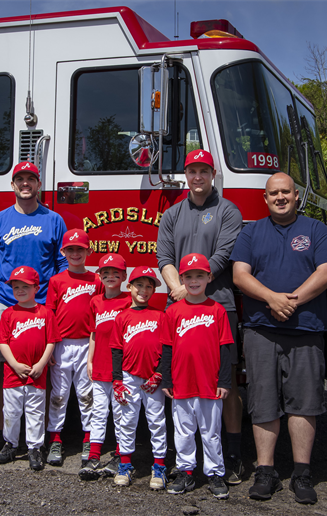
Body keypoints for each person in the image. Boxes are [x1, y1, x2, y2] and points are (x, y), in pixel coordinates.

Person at [231, 172, 327, 504]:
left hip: (306, 329)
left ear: (296, 196)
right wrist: (271, 299)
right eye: (273, 193)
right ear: (265, 199)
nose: (280, 197)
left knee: (304, 402)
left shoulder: (316, 229)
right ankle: (266, 472)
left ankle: (302, 474)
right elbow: (239, 275)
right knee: (263, 402)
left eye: (286, 192)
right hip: (261, 330)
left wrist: (290, 301)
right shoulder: (251, 231)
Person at [155, 148, 245, 484]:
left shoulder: (228, 211)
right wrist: (179, 289)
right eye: (192, 171)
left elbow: (223, 254)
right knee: (179, 380)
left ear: (212, 175)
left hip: (218, 306)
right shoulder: (173, 213)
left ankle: (231, 454)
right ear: (186, 175)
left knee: (227, 380)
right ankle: (185, 461)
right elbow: (164, 255)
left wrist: (194, 287)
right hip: (179, 308)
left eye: (203, 171)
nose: (197, 177)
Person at [0, 161, 67, 422]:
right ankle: (9, 436)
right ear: (12, 185)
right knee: (8, 371)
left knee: (43, 369)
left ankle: (41, 436)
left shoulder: (54, 220)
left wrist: (54, 300)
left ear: (39, 184)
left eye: (31, 179)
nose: (25, 183)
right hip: (5, 305)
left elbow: (61, 263)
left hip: (41, 306)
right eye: (20, 179)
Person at [158, 254, 234, 499]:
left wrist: (224, 381)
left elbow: (226, 348)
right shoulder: (173, 311)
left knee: (211, 432)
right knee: (183, 431)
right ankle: (185, 471)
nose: (193, 281)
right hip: (181, 382)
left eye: (199, 275)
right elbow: (166, 349)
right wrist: (167, 379)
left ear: (209, 277)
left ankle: (215, 473)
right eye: (188, 276)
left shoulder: (217, 310)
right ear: (181, 279)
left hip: (209, 383)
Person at [44, 228, 101, 467]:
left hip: (88, 344)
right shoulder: (57, 280)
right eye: (71, 249)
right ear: (63, 251)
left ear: (89, 251)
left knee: (87, 394)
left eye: (80, 249)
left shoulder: (96, 280)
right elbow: (50, 314)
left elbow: (101, 315)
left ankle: (89, 437)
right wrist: (50, 348)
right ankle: (55, 439)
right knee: (59, 394)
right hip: (62, 345)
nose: (75, 253)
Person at [0, 266, 59, 471]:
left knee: (35, 411)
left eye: (25, 286)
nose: (20, 290)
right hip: (12, 373)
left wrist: (41, 364)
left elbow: (51, 341)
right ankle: (11, 444)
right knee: (11, 411)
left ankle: (35, 447)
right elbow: (2, 342)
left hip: (36, 373)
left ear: (36, 287)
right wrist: (13, 363)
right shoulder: (8, 314)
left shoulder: (45, 313)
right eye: (16, 287)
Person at [109, 267, 167, 490]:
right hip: (129, 377)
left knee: (157, 422)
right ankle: (125, 464)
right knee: (127, 421)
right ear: (129, 287)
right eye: (139, 285)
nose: (144, 290)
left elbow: (166, 349)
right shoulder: (122, 317)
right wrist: (117, 379)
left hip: (153, 379)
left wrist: (159, 373)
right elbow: (116, 350)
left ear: (154, 289)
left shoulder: (160, 316)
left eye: (148, 286)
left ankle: (159, 466)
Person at [78, 253, 130, 481]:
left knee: (120, 413)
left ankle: (120, 454)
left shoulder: (129, 301)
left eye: (115, 273)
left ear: (124, 276)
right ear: (99, 276)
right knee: (98, 411)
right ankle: (94, 455)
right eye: (105, 273)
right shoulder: (96, 302)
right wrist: (89, 360)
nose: (110, 277)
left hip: (120, 368)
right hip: (99, 364)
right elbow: (93, 333)